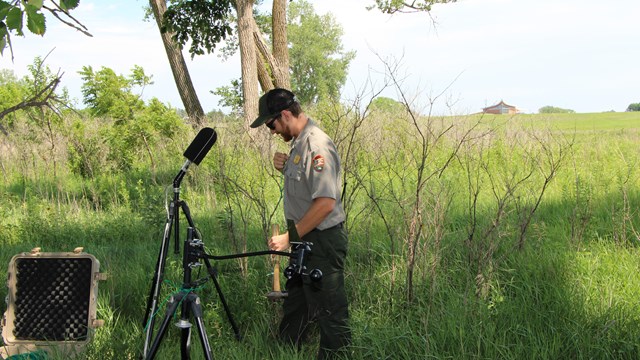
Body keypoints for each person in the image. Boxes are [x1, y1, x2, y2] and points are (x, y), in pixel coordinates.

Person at [250, 88, 351, 359]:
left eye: (271, 124)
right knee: (297, 300)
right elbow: (306, 185)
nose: (271, 130)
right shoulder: (298, 143)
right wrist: (285, 167)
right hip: (304, 239)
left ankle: (335, 355)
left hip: (322, 239)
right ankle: (285, 351)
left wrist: (288, 236)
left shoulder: (316, 145)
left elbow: (326, 203)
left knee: (330, 308)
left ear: (285, 114)